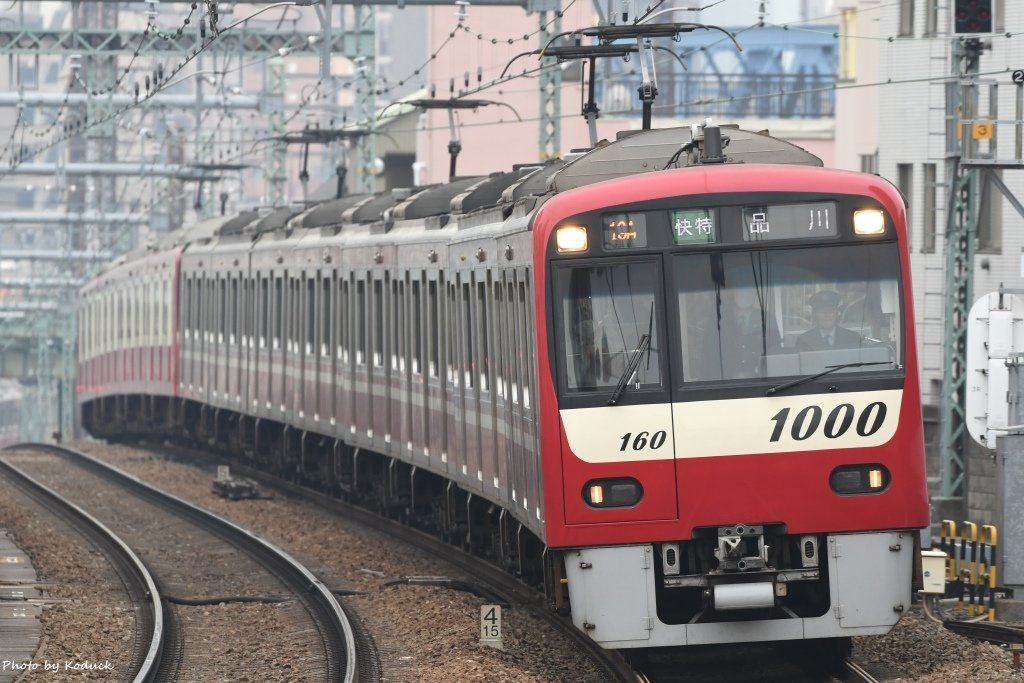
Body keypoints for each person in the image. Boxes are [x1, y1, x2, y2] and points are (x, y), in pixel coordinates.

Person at [795, 290, 862, 351]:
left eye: (831, 311)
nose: (827, 315)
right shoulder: (803, 340)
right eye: (822, 311)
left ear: (837, 313)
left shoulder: (853, 338)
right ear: (815, 314)